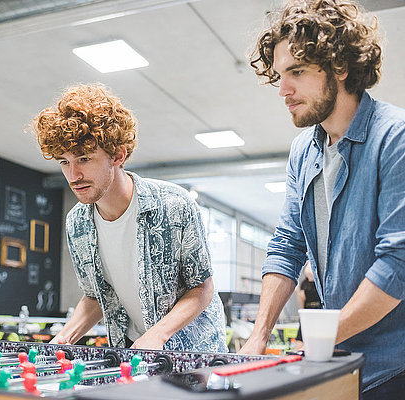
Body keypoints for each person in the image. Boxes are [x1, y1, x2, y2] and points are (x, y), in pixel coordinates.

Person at [239, 0, 405, 397]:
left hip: (393, 367)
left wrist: (319, 340)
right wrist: (258, 337)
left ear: (340, 67)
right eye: (280, 75)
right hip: (341, 362)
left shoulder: (394, 137)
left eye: (296, 71)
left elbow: (397, 264)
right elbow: (287, 245)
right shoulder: (304, 150)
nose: (282, 89)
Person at [29, 83, 227, 352]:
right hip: (134, 351)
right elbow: (96, 297)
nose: (73, 175)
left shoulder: (174, 204)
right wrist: (62, 341)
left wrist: (158, 335)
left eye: (84, 158)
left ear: (118, 155)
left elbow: (201, 289)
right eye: (64, 162)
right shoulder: (77, 223)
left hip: (194, 352)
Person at [294, 261, 321, 342]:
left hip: (318, 312)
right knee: (301, 337)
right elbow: (302, 300)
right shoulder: (304, 284)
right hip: (307, 312)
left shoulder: (319, 283)